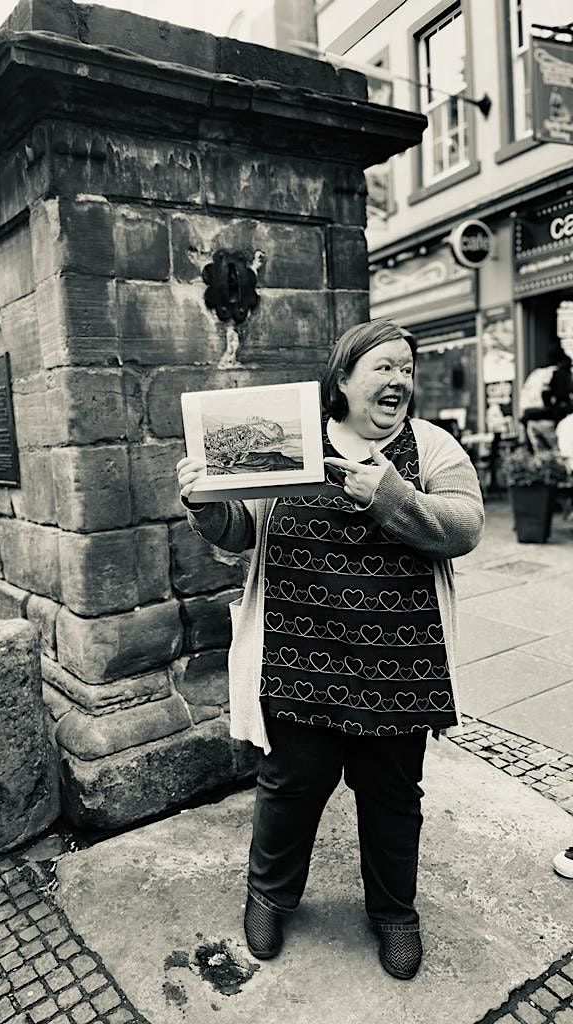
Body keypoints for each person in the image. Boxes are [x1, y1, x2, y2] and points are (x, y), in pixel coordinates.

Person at [176, 320, 484, 980]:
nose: (399, 378)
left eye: (407, 367)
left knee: (393, 796)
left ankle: (395, 913)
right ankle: (269, 896)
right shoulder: (289, 443)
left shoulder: (430, 447)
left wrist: (389, 495)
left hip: (402, 668)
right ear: (342, 379)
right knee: (291, 786)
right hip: (297, 658)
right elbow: (240, 530)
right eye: (383, 366)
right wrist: (203, 502)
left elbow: (465, 526)